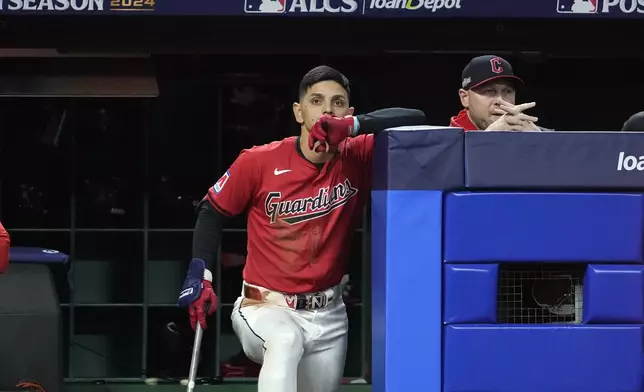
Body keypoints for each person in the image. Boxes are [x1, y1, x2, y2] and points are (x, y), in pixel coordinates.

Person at [177, 65, 426, 392]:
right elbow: (212, 211)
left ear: (348, 113)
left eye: (338, 103)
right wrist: (201, 273)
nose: (327, 109)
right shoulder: (259, 161)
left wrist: (355, 127)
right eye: (316, 101)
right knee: (285, 339)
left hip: (330, 314)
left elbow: (417, 118)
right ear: (299, 111)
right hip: (264, 306)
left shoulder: (358, 153)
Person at [449, 55, 550, 132]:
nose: (500, 101)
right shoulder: (444, 140)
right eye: (489, 91)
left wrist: (540, 142)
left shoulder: (535, 133)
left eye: (508, 91)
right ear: (465, 98)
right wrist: (488, 139)